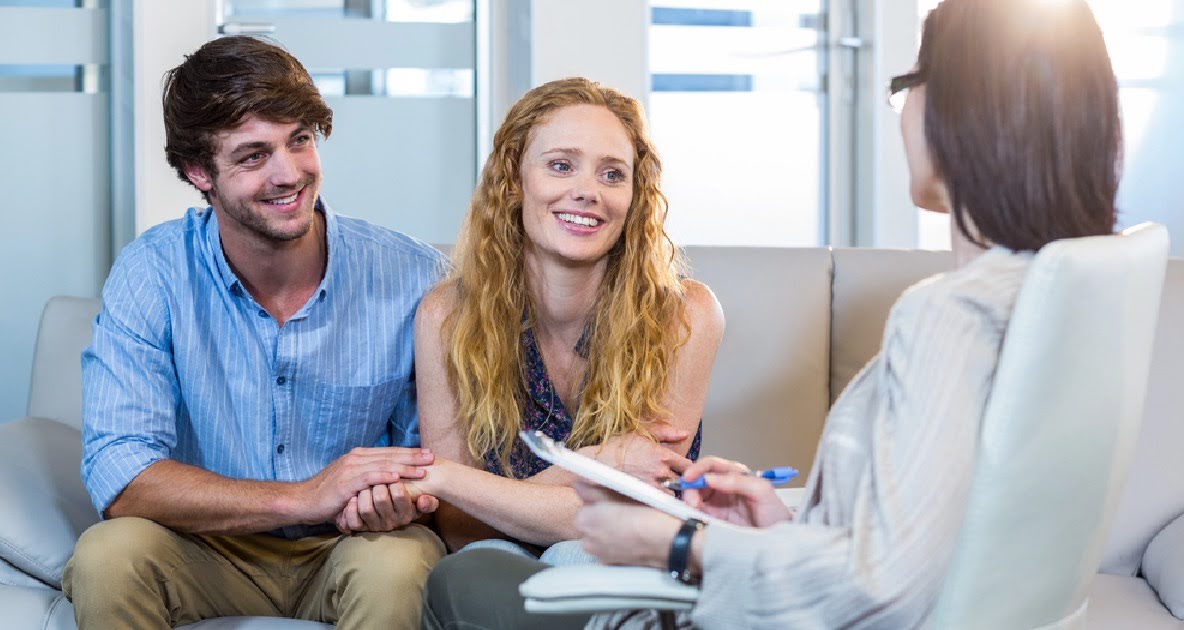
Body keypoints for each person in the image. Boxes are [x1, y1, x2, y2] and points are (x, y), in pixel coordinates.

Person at [422, 0, 1122, 627]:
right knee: (475, 570)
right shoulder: (1065, 297)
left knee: (472, 585)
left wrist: (681, 543)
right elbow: (927, 530)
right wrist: (775, 515)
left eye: (907, 84)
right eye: (561, 166)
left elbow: (886, 587)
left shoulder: (946, 316)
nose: (902, 109)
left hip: (737, 605)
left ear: (964, 112)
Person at [63, 36, 448, 630]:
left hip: (352, 548)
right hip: (205, 548)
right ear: (198, 172)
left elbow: (444, 459)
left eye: (299, 139)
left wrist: (403, 500)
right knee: (107, 556)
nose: (289, 173)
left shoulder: (415, 278)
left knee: (399, 566)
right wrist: (301, 496)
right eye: (253, 156)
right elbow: (122, 473)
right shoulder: (152, 273)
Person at [394, 77, 724, 562]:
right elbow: (459, 527)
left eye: (612, 174)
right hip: (490, 569)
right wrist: (600, 461)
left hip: (628, 566)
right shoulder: (447, 316)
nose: (587, 191)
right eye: (561, 166)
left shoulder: (684, 314)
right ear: (513, 182)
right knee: (476, 573)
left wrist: (458, 483)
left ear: (636, 196)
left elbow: (635, 511)